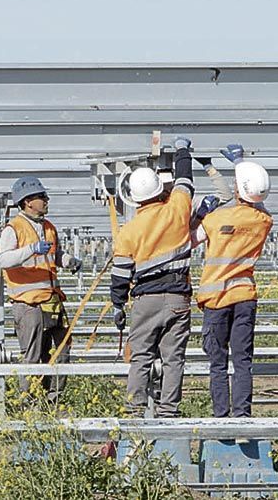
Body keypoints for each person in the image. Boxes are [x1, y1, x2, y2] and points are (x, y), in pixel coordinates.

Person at [110, 137, 195, 417]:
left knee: (141, 357)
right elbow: (185, 181)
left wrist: (118, 305)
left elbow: (121, 274)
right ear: (161, 190)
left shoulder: (129, 230)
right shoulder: (177, 209)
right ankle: (168, 411)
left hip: (145, 300)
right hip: (177, 298)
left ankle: (135, 412)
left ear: (134, 198)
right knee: (174, 359)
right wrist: (182, 150)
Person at [192, 160, 273, 418]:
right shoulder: (263, 221)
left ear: (238, 190)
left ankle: (221, 418)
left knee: (217, 364)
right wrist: (241, 163)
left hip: (216, 300)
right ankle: (242, 417)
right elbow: (257, 201)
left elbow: (190, 240)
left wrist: (198, 215)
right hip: (244, 297)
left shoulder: (217, 219)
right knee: (242, 362)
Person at [0, 176, 82, 401]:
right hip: (28, 303)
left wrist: (69, 261)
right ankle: (30, 402)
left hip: (52, 300)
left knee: (62, 350)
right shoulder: (13, 228)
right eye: (41, 197)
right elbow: (3, 260)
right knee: (33, 355)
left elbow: (54, 256)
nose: (46, 200)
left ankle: (54, 400)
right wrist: (31, 249)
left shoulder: (49, 227)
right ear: (26, 201)